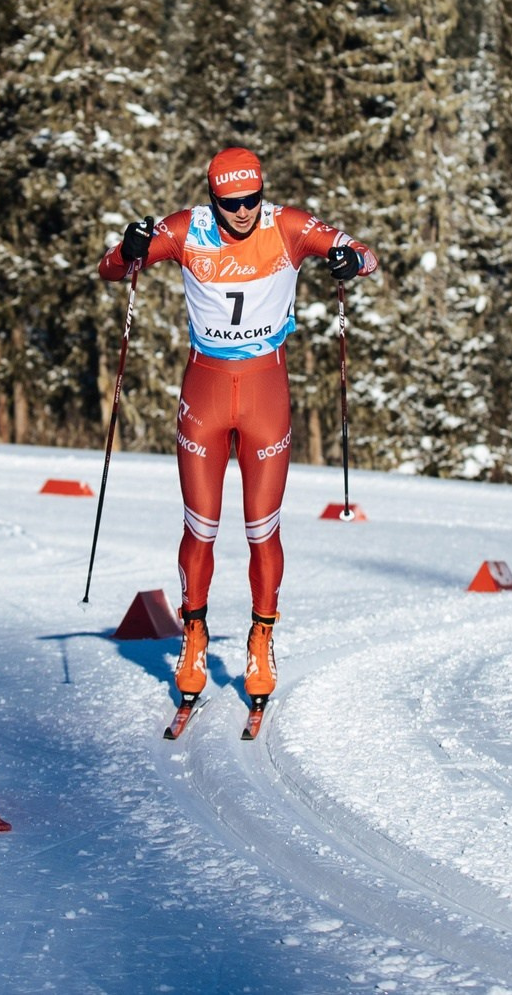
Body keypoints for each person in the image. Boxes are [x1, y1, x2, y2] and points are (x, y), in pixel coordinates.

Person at [98, 146, 377, 722]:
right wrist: (126, 250)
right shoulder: (186, 230)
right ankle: (194, 635)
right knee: (199, 527)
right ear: (213, 199)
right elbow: (112, 268)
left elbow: (363, 255)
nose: (244, 212)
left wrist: (351, 262)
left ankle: (259, 639)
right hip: (203, 391)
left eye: (251, 199)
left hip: (264, 393)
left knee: (260, 529)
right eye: (232, 203)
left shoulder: (289, 227)